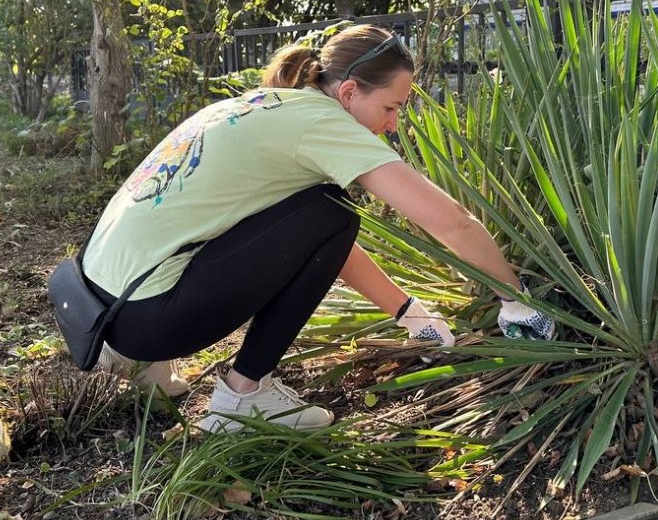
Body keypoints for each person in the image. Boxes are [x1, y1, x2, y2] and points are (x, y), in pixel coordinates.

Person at [80, 24, 555, 433]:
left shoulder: (264, 105)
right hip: (147, 317)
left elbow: (307, 242)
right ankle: (244, 394)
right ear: (349, 92)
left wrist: (409, 313)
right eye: (390, 107)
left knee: (323, 213)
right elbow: (450, 220)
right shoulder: (322, 123)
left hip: (100, 307)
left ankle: (136, 367)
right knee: (334, 211)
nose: (392, 125)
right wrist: (516, 301)